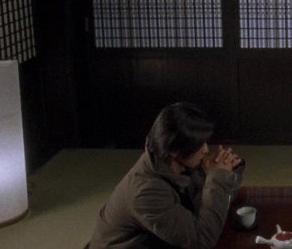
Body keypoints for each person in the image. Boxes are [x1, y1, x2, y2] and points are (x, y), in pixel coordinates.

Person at [89, 102, 245, 248]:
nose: (205, 150)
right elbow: (202, 240)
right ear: (174, 150)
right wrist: (217, 178)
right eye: (198, 145)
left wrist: (225, 173)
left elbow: (211, 207)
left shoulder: (175, 162)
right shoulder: (146, 192)